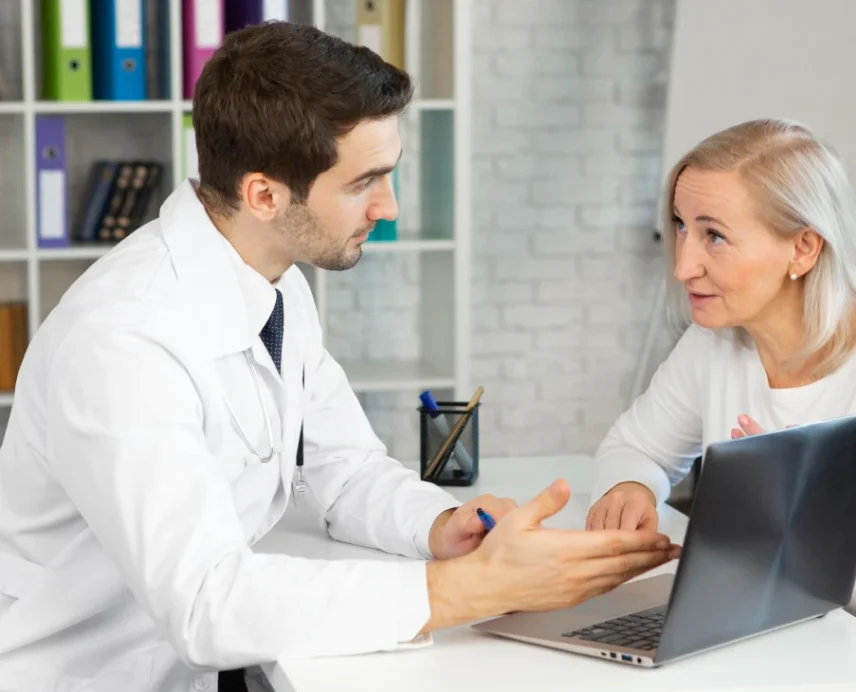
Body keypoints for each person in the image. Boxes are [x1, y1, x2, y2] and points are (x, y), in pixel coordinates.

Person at [0, 23, 678, 692]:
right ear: (264, 195)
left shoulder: (276, 283)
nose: (389, 207)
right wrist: (462, 591)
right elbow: (205, 601)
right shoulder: (124, 340)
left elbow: (344, 469)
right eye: (365, 182)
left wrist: (443, 528)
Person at [586, 118, 856, 691]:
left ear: (803, 247)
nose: (683, 264)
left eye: (713, 235)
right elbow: (634, 447)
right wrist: (631, 487)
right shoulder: (718, 339)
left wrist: (799, 510)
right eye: (681, 226)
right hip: (811, 652)